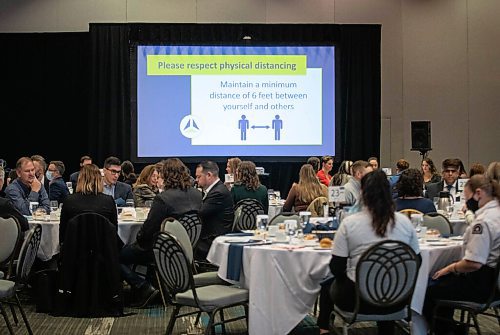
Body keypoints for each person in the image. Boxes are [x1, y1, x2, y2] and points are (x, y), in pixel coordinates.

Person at [317, 170, 420, 334]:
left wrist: (355, 274)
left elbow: (337, 267)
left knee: (326, 285)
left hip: (358, 300)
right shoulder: (405, 223)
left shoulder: (349, 224)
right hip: (397, 299)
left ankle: (323, 330)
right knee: (387, 281)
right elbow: (417, 261)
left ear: (362, 193)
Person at [423, 175, 500, 335]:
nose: (466, 203)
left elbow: (474, 263)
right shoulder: (496, 213)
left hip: (480, 285)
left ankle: (444, 330)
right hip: (494, 283)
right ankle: (450, 328)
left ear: (478, 193)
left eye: (467, 198)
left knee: (428, 288)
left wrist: (451, 268)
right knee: (442, 283)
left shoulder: (483, 222)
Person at [120, 158, 202, 307]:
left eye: (160, 175)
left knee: (114, 254)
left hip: (163, 251)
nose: (158, 178)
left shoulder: (163, 199)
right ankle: (153, 285)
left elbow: (146, 233)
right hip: (188, 248)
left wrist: (137, 240)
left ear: (167, 176)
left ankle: (142, 286)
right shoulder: (197, 194)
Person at [59, 164, 118, 246]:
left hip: (74, 252)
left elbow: (63, 233)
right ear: (99, 180)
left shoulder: (69, 201)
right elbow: (114, 231)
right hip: (103, 251)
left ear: (80, 179)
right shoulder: (108, 201)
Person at [195, 161, 234, 261]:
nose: (196, 180)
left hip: (213, 240)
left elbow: (200, 213)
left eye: (199, 177)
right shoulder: (217, 189)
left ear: (209, 175)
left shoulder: (218, 193)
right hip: (212, 235)